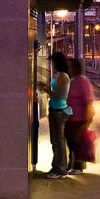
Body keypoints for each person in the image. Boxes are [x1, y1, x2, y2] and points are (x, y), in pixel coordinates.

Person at [37, 51, 71, 179]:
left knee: (58, 142)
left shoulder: (63, 77)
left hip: (59, 112)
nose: (52, 64)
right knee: (55, 141)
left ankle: (61, 170)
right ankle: (56, 167)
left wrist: (44, 88)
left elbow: (59, 95)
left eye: (53, 62)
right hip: (55, 111)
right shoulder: (59, 75)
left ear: (58, 62)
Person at [64, 58, 95, 174]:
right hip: (70, 117)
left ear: (77, 68)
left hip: (79, 118)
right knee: (70, 141)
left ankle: (78, 166)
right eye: (69, 67)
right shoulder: (72, 80)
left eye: (71, 67)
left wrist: (87, 120)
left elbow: (88, 100)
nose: (69, 69)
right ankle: (72, 164)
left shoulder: (82, 80)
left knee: (76, 141)